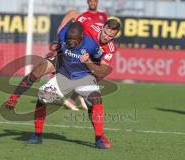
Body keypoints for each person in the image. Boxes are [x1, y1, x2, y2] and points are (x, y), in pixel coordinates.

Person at [26, 19, 121, 149]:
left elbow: (102, 71)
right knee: (43, 95)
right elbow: (74, 19)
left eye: (111, 36)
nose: (106, 37)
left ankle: (99, 138)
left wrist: (88, 63)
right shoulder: (89, 25)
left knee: (94, 102)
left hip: (86, 75)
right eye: (105, 33)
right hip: (66, 73)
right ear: (103, 27)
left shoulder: (110, 48)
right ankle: (37, 135)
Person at [58, 0, 108, 111]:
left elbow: (104, 31)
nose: (93, 3)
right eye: (91, 1)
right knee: (84, 75)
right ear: (88, 2)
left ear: (97, 2)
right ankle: (82, 99)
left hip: (96, 49)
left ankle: (73, 100)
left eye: (95, 1)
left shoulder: (103, 16)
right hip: (85, 50)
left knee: (98, 75)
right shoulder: (83, 16)